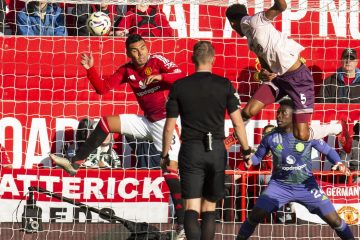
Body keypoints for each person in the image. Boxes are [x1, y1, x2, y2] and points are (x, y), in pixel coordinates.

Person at [50, 34, 186, 239]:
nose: (140, 53)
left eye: (143, 48)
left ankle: (182, 226)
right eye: (135, 50)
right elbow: (102, 89)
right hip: (147, 121)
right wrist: (90, 69)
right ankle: (75, 163)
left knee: (170, 171)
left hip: (166, 123)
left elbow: (181, 75)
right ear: (128, 53)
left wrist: (160, 77)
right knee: (106, 122)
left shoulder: (158, 61)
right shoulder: (127, 70)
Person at [224, 3, 351, 153]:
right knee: (247, 112)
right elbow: (265, 64)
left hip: (299, 81)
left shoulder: (256, 21)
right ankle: (234, 137)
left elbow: (281, 6)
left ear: (232, 24)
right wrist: (265, 73)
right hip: (279, 80)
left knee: (301, 134)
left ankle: (337, 128)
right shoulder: (250, 41)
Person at [161, 41, 251, 240]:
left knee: (191, 207)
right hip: (216, 150)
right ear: (213, 59)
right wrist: (246, 151)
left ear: (192, 59)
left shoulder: (179, 86)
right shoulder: (225, 85)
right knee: (209, 207)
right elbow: (238, 123)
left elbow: (169, 127)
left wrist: (165, 154)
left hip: (191, 150)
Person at [236, 99, 354, 240]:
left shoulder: (307, 134)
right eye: (278, 112)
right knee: (255, 215)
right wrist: (250, 160)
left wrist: (339, 163)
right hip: (279, 186)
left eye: (283, 113)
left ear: (294, 116)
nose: (278, 116)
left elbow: (328, 151)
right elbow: (257, 158)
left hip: (306, 185)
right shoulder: (270, 137)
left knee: (335, 221)